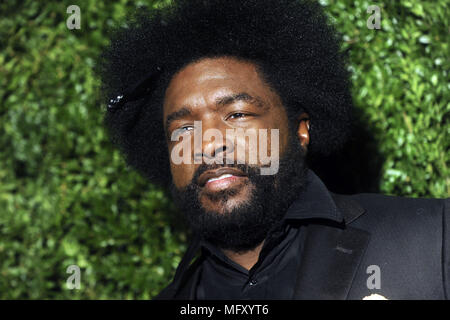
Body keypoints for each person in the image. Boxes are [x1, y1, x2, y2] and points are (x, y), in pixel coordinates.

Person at [98, 0, 449, 299]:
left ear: (300, 130)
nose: (207, 143)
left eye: (236, 114)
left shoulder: (433, 239)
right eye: (183, 129)